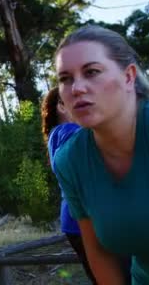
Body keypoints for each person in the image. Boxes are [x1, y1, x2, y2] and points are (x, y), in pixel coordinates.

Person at [53, 24, 149, 284]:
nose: (77, 88)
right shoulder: (70, 161)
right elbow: (99, 252)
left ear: (129, 76)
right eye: (65, 79)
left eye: (92, 72)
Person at [41, 87, 95, 282]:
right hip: (82, 221)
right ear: (62, 107)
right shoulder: (68, 131)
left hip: (74, 220)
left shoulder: (57, 134)